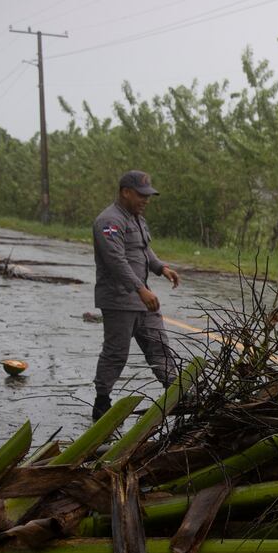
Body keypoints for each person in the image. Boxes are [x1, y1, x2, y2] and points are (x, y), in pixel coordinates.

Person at [90, 170, 181, 421]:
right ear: (125, 192)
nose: (146, 200)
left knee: (159, 346)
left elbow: (144, 250)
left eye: (148, 195)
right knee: (116, 353)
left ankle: (177, 395)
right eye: (141, 195)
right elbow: (116, 261)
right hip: (119, 300)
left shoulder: (137, 218)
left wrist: (161, 268)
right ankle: (102, 403)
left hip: (142, 298)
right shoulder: (109, 221)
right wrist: (140, 289)